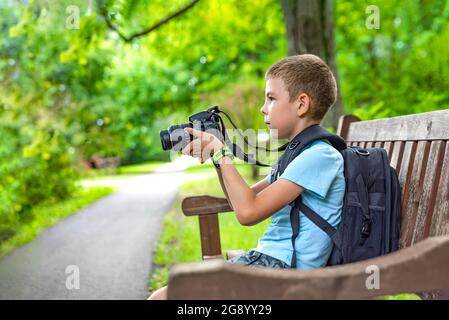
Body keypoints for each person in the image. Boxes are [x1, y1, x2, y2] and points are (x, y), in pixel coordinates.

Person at [148, 54, 345, 300]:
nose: (263, 108)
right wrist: (216, 156)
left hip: (285, 274)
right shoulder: (301, 154)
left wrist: (220, 152)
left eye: (271, 98)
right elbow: (244, 199)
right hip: (271, 264)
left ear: (301, 104)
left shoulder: (320, 156)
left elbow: (248, 213)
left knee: (162, 298)